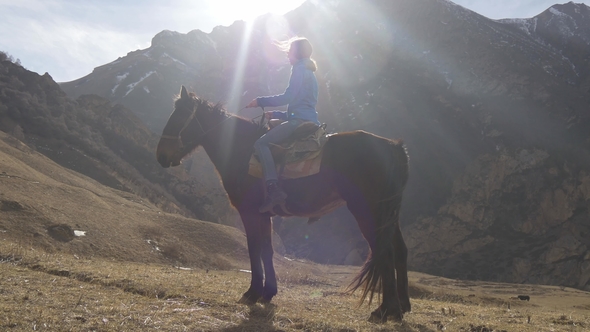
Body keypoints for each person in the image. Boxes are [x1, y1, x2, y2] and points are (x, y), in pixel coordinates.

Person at [246, 37, 320, 213]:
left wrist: (259, 101)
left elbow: (288, 97)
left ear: (296, 53)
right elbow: (303, 104)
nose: (287, 55)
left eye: (289, 51)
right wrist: (278, 114)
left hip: (298, 121)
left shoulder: (299, 69)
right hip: (309, 119)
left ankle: (273, 189)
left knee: (261, 144)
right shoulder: (310, 71)